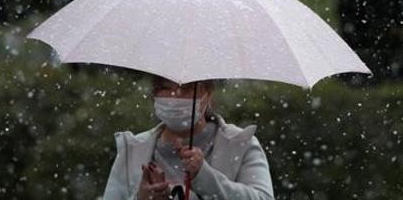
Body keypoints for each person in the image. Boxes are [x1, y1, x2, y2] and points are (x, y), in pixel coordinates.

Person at [102, 76, 274, 200]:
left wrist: (205, 176)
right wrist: (142, 198)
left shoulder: (241, 144)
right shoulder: (133, 148)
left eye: (187, 89)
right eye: (165, 87)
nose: (174, 95)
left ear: (208, 94)